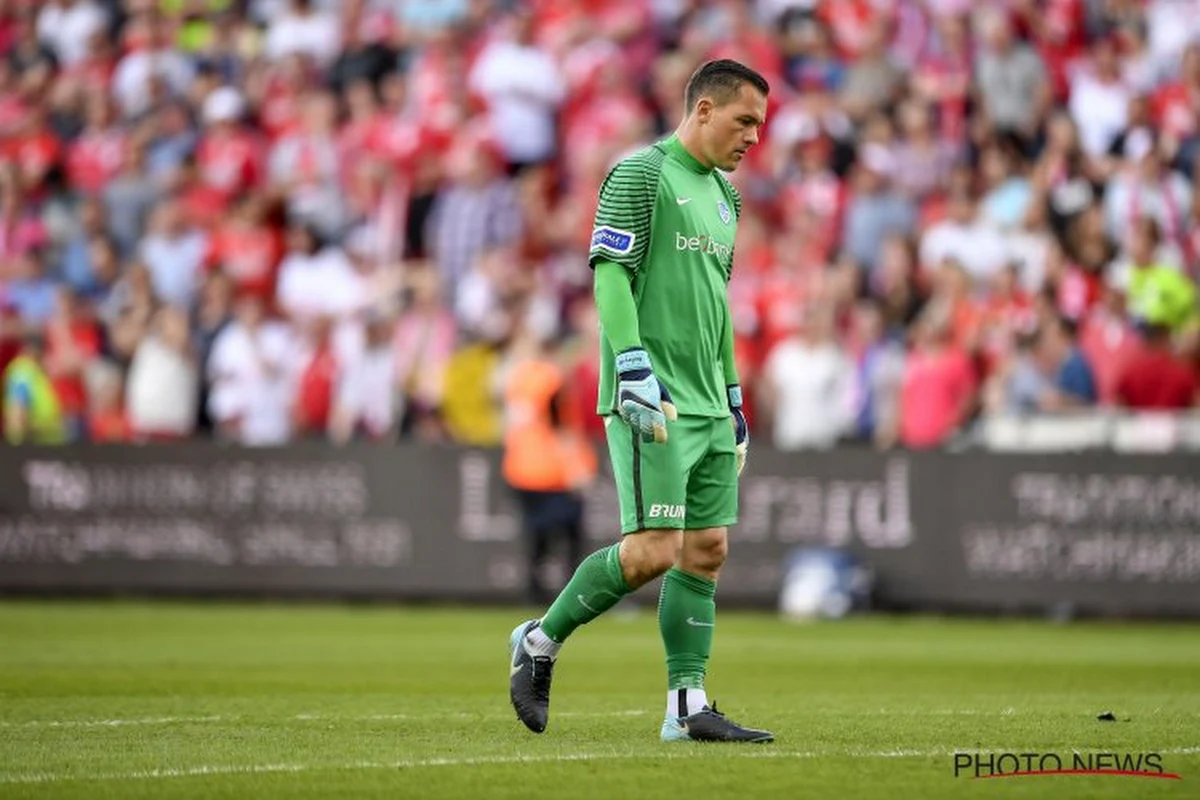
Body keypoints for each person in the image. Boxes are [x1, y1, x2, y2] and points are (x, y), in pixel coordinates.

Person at [508, 59, 773, 744]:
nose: (753, 138)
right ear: (705, 108)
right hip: (652, 397)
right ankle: (540, 640)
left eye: (760, 126)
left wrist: (735, 398)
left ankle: (686, 707)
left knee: (707, 548)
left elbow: (716, 306)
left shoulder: (727, 198)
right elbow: (610, 276)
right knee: (653, 550)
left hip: (710, 401)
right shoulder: (640, 174)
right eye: (744, 121)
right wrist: (630, 367)